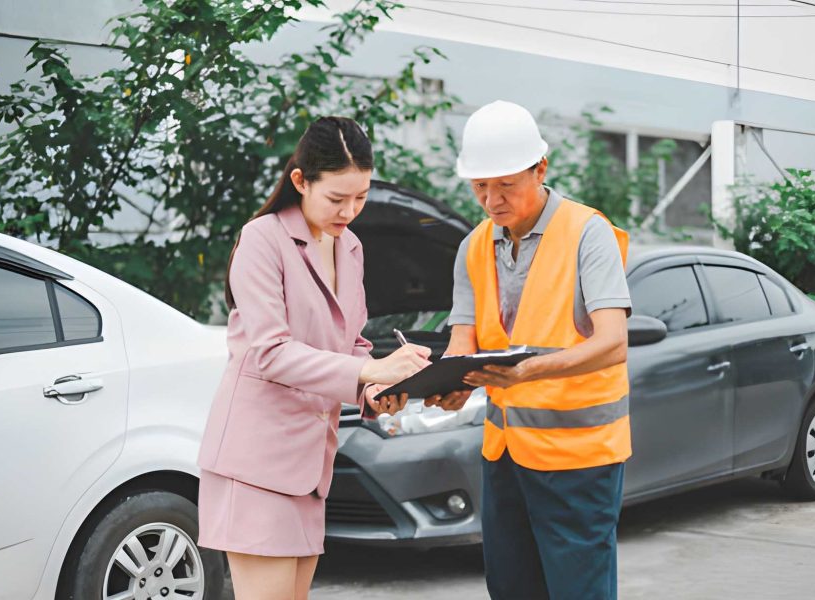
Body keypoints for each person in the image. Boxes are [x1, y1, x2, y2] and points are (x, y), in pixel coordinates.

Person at [196, 116, 430, 600]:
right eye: (337, 198)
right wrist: (368, 370)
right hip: (256, 464)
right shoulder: (262, 239)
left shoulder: (351, 247)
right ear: (300, 181)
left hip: (310, 466)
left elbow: (351, 341)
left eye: (361, 197)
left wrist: (376, 388)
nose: (350, 211)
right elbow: (272, 353)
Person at [426, 100, 633, 600]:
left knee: (578, 591)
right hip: (504, 455)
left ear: (541, 169)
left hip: (580, 458)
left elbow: (613, 343)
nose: (492, 200)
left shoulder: (588, 233)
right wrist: (449, 386)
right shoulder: (473, 247)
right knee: (512, 587)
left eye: (506, 185)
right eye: (480, 186)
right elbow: (463, 341)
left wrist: (531, 372)